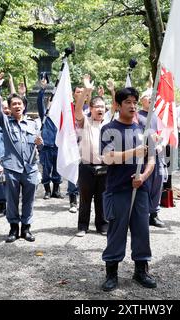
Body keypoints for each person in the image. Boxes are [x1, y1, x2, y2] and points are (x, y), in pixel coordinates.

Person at [100, 87, 157, 292]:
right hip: (117, 190)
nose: (133, 106)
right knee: (116, 232)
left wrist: (143, 176)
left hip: (140, 190)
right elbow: (107, 158)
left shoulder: (145, 128)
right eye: (128, 102)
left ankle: (141, 270)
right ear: (118, 105)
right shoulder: (108, 129)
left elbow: (151, 159)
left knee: (142, 231)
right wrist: (134, 151)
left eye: (135, 102)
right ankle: (111, 273)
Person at [0, 73, 43, 243]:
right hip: (12, 168)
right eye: (13, 104)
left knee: (29, 200)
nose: (17, 106)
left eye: (19, 103)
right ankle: (13, 228)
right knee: (12, 200)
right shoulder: (5, 122)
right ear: (10, 107)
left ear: (24, 106)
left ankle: (26, 229)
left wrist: (40, 142)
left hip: (30, 168)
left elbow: (38, 145)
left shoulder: (33, 123)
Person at [73, 76, 108, 237]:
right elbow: (77, 110)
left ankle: (102, 225)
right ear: (91, 108)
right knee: (85, 199)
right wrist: (86, 91)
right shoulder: (84, 121)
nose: (100, 109)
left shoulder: (109, 125)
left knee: (102, 198)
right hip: (86, 166)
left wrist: (112, 91)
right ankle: (82, 226)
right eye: (97, 107)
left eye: (103, 107)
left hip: (105, 167)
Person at [138, 88, 167, 228]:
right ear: (141, 100)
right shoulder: (137, 116)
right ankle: (142, 213)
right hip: (143, 156)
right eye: (147, 96)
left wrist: (161, 143)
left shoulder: (157, 116)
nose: (150, 98)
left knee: (158, 182)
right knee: (145, 185)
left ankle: (154, 214)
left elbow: (164, 134)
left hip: (157, 155)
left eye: (152, 96)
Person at [37, 77, 64, 201]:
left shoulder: (60, 118)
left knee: (58, 170)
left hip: (58, 147)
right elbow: (39, 103)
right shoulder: (45, 116)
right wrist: (42, 89)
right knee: (46, 170)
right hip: (46, 147)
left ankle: (56, 190)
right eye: (50, 102)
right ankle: (47, 190)